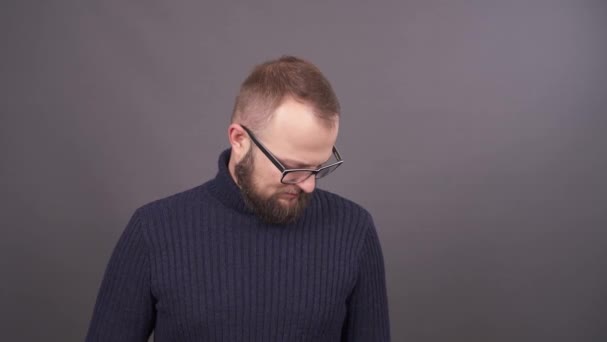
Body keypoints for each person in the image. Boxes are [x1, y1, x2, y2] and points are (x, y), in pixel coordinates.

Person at [86, 56, 390, 341]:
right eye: (291, 167)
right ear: (239, 140)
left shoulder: (353, 230)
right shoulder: (153, 230)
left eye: (319, 166)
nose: (308, 185)